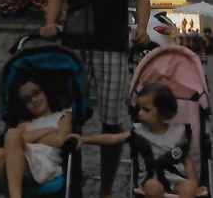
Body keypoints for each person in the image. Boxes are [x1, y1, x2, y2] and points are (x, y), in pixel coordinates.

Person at [41, 0, 151, 198]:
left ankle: (105, 190)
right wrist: (51, 22)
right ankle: (69, 183)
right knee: (68, 116)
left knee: (111, 122)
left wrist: (141, 28)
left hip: (113, 44)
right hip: (74, 46)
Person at [69, 83, 203, 198]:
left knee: (189, 187)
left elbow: (186, 160)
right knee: (152, 187)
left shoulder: (179, 132)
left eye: (146, 109)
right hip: (151, 177)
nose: (140, 113)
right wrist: (85, 139)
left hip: (176, 177)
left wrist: (194, 183)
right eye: (139, 109)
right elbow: (112, 138)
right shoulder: (139, 132)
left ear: (163, 111)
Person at [0, 75, 73, 198]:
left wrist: (28, 138)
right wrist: (48, 130)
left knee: (12, 134)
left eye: (36, 93)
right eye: (27, 99)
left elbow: (60, 140)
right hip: (22, 162)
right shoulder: (25, 124)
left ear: (45, 91)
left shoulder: (63, 116)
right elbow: (14, 142)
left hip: (45, 163)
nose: (34, 100)